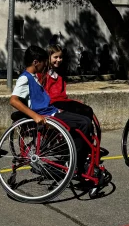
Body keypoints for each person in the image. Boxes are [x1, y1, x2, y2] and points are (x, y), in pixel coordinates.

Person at [10, 45, 94, 174]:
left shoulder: (33, 77)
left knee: (85, 118)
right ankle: (78, 163)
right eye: (44, 62)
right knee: (84, 123)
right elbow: (13, 100)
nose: (45, 65)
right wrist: (35, 116)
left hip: (51, 111)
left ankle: (77, 156)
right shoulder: (25, 78)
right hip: (46, 115)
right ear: (36, 62)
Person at [39, 44, 94, 119]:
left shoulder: (59, 74)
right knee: (84, 112)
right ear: (48, 57)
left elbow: (62, 95)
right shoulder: (43, 74)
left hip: (62, 101)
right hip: (52, 103)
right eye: (55, 57)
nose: (59, 60)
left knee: (88, 110)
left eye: (60, 57)